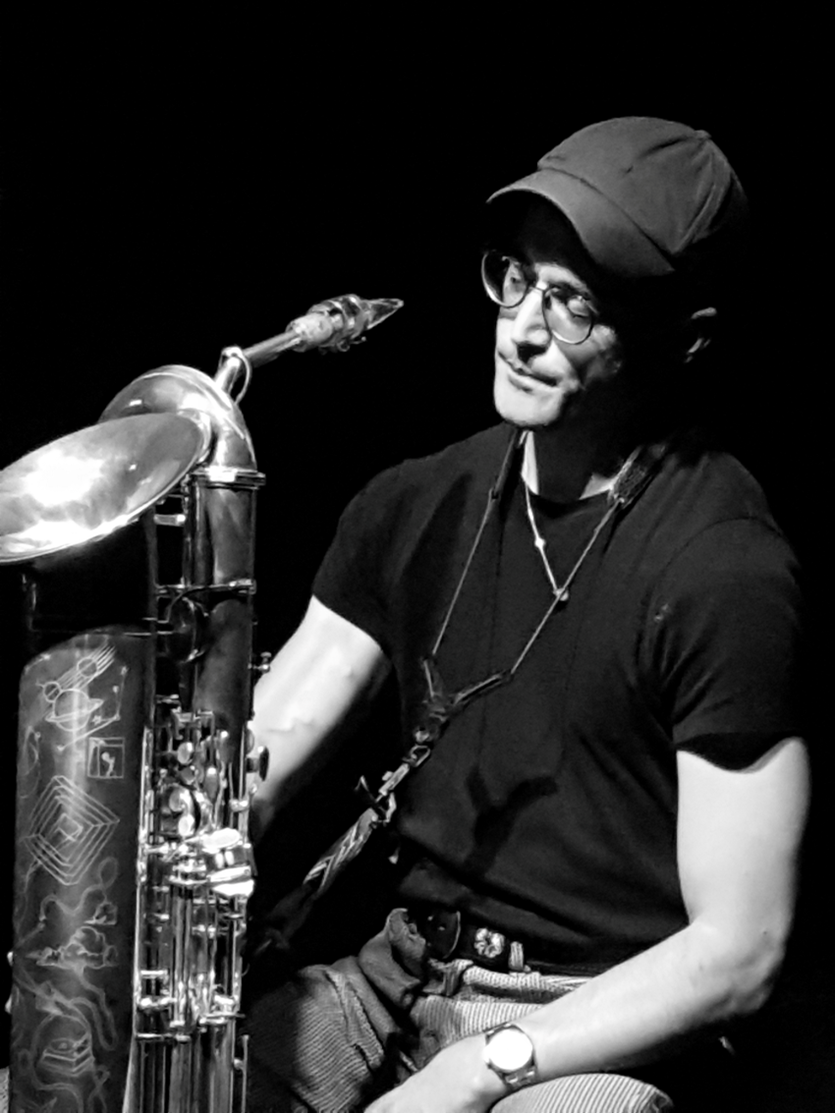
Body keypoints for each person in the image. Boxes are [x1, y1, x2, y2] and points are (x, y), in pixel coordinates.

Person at [244, 117, 809, 1113]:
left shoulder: (725, 570)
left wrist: (477, 1069)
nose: (522, 328)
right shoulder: (412, 504)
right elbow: (257, 763)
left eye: (574, 302)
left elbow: (741, 949)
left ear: (684, 336)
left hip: (589, 1021)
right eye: (515, 278)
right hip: (395, 979)